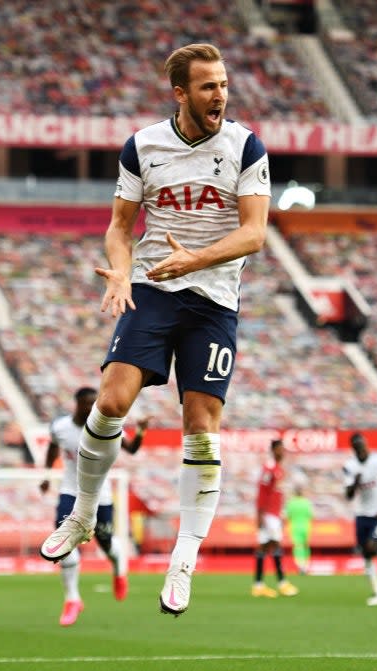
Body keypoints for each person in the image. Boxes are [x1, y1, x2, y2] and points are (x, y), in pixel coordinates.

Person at [39, 42, 271, 619]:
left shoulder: (245, 146)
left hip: (213, 300)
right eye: (208, 86)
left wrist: (192, 260)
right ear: (181, 93)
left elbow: (255, 234)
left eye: (223, 85)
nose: (220, 95)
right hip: (151, 290)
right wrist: (121, 270)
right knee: (111, 401)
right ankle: (84, 514)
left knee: (201, 425)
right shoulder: (143, 146)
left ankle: (184, 557)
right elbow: (120, 227)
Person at [39, 386, 148, 627]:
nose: (91, 408)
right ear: (77, 404)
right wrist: (47, 475)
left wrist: (140, 431)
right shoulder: (60, 427)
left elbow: (131, 449)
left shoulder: (104, 427)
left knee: (106, 543)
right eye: (87, 403)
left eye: (93, 403)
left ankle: (119, 569)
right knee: (62, 543)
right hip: (70, 492)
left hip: (102, 496)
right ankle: (72, 599)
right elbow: (52, 447)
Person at [343, 432, 377, 606]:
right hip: (361, 514)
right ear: (354, 449)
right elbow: (349, 495)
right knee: (366, 554)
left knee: (371, 548)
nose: (362, 449)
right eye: (357, 447)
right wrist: (356, 483)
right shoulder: (350, 467)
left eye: (363, 445)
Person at [252, 439, 299, 597]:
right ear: (273, 450)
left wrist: (282, 513)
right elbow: (262, 492)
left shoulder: (279, 469)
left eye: (283, 449)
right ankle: (282, 583)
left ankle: (258, 585)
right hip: (268, 515)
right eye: (280, 449)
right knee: (275, 545)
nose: (283, 452)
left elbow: (277, 494)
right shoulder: (269, 468)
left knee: (264, 547)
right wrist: (260, 514)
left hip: (275, 514)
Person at [285, 484, 314, 575]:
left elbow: (287, 516)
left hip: (294, 527)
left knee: (298, 546)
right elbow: (311, 515)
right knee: (306, 545)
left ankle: (301, 565)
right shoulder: (306, 502)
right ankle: (306, 565)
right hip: (306, 526)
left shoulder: (291, 503)